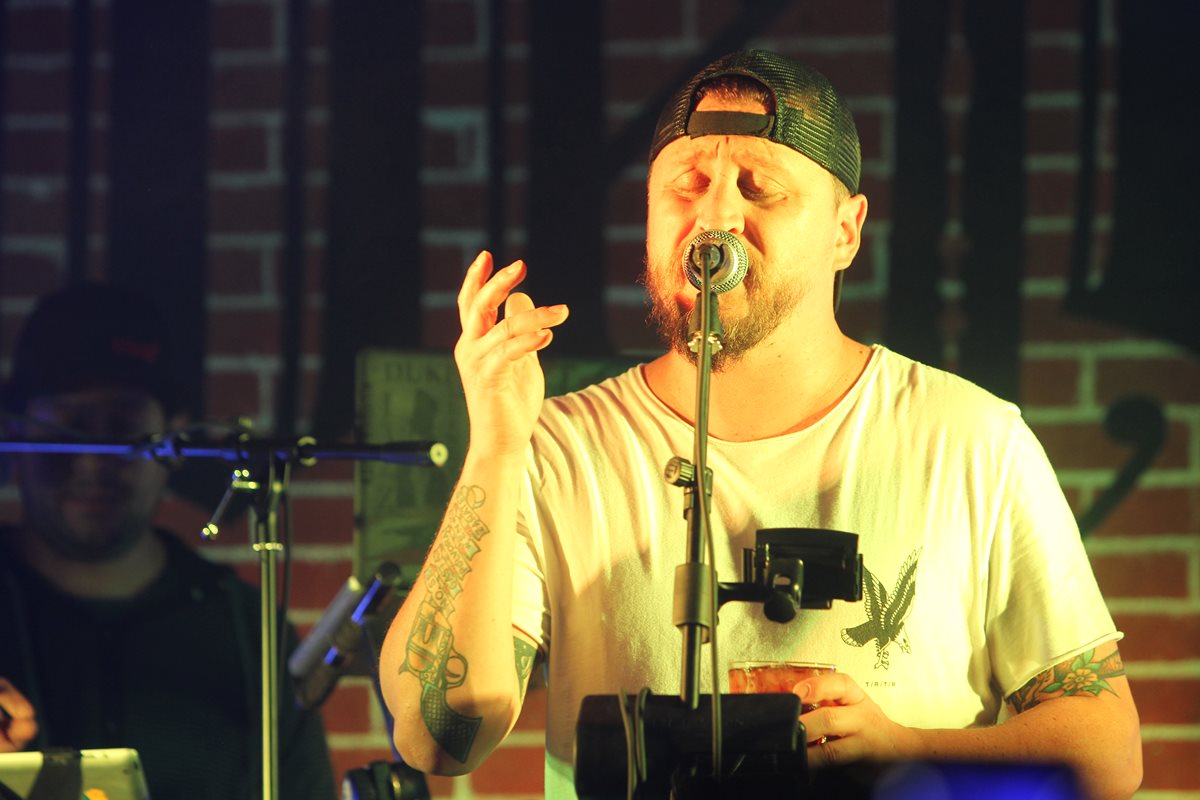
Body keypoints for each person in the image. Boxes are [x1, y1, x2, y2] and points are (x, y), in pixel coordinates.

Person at [379, 49, 1143, 799]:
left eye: (759, 187)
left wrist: (903, 750)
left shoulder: (971, 439)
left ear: (845, 231)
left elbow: (1108, 754)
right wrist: (495, 446)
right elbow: (437, 736)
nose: (715, 215)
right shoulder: (556, 450)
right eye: (687, 185)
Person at [0, 283, 337, 800]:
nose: (93, 460)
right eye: (68, 427)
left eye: (123, 428)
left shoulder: (247, 629)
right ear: (17, 434)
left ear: (175, 436)